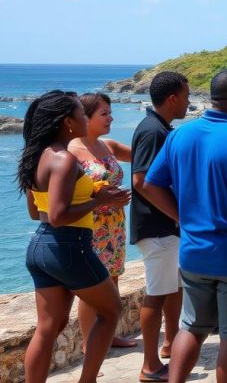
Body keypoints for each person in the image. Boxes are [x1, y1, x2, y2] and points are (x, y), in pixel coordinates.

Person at [140, 70, 227, 383]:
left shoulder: (179, 135)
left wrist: (182, 217)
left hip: (193, 255)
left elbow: (150, 185)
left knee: (191, 327)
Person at [20, 91, 131, 383]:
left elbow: (37, 213)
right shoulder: (64, 160)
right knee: (111, 310)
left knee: (49, 327)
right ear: (68, 122)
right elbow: (58, 215)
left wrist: (91, 194)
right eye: (82, 114)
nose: (85, 118)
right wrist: (99, 199)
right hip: (69, 246)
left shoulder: (36, 157)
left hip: (40, 247)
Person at [131, 72, 189, 382]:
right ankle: (150, 365)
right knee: (156, 294)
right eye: (186, 96)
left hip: (165, 226)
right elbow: (141, 181)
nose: (189, 102)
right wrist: (177, 214)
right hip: (158, 227)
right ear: (172, 99)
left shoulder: (159, 128)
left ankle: (170, 342)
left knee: (173, 288)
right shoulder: (154, 131)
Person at [69, 93, 137, 354]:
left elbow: (146, 155)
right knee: (92, 286)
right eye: (104, 113)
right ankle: (88, 343)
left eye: (110, 112)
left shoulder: (108, 145)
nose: (111, 117)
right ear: (85, 117)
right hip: (90, 226)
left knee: (114, 278)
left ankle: (109, 333)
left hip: (116, 224)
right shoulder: (72, 152)